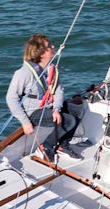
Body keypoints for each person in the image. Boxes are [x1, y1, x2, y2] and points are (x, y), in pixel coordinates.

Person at [6, 34, 83, 162]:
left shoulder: (51, 69)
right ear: (41, 53)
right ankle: (46, 147)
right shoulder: (24, 73)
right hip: (35, 112)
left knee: (77, 110)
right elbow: (11, 98)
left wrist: (57, 109)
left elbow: (58, 89)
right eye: (49, 46)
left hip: (50, 107)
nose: (53, 47)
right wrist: (25, 122)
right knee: (69, 121)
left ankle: (62, 145)